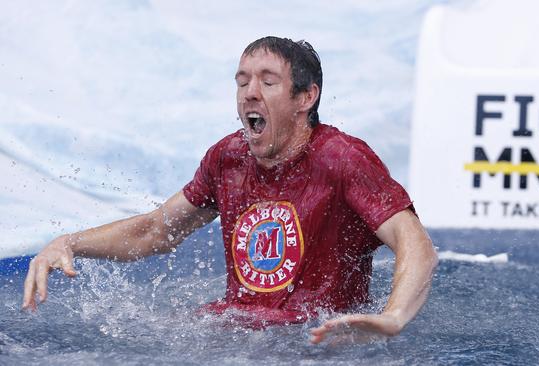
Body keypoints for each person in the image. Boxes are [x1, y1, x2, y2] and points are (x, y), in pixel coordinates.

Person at [22, 36, 437, 344]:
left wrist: (393, 316)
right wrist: (69, 242)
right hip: (234, 336)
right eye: (242, 82)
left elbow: (414, 242)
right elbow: (155, 231)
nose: (249, 92)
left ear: (306, 97)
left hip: (319, 342)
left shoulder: (342, 158)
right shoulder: (228, 158)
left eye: (268, 82)